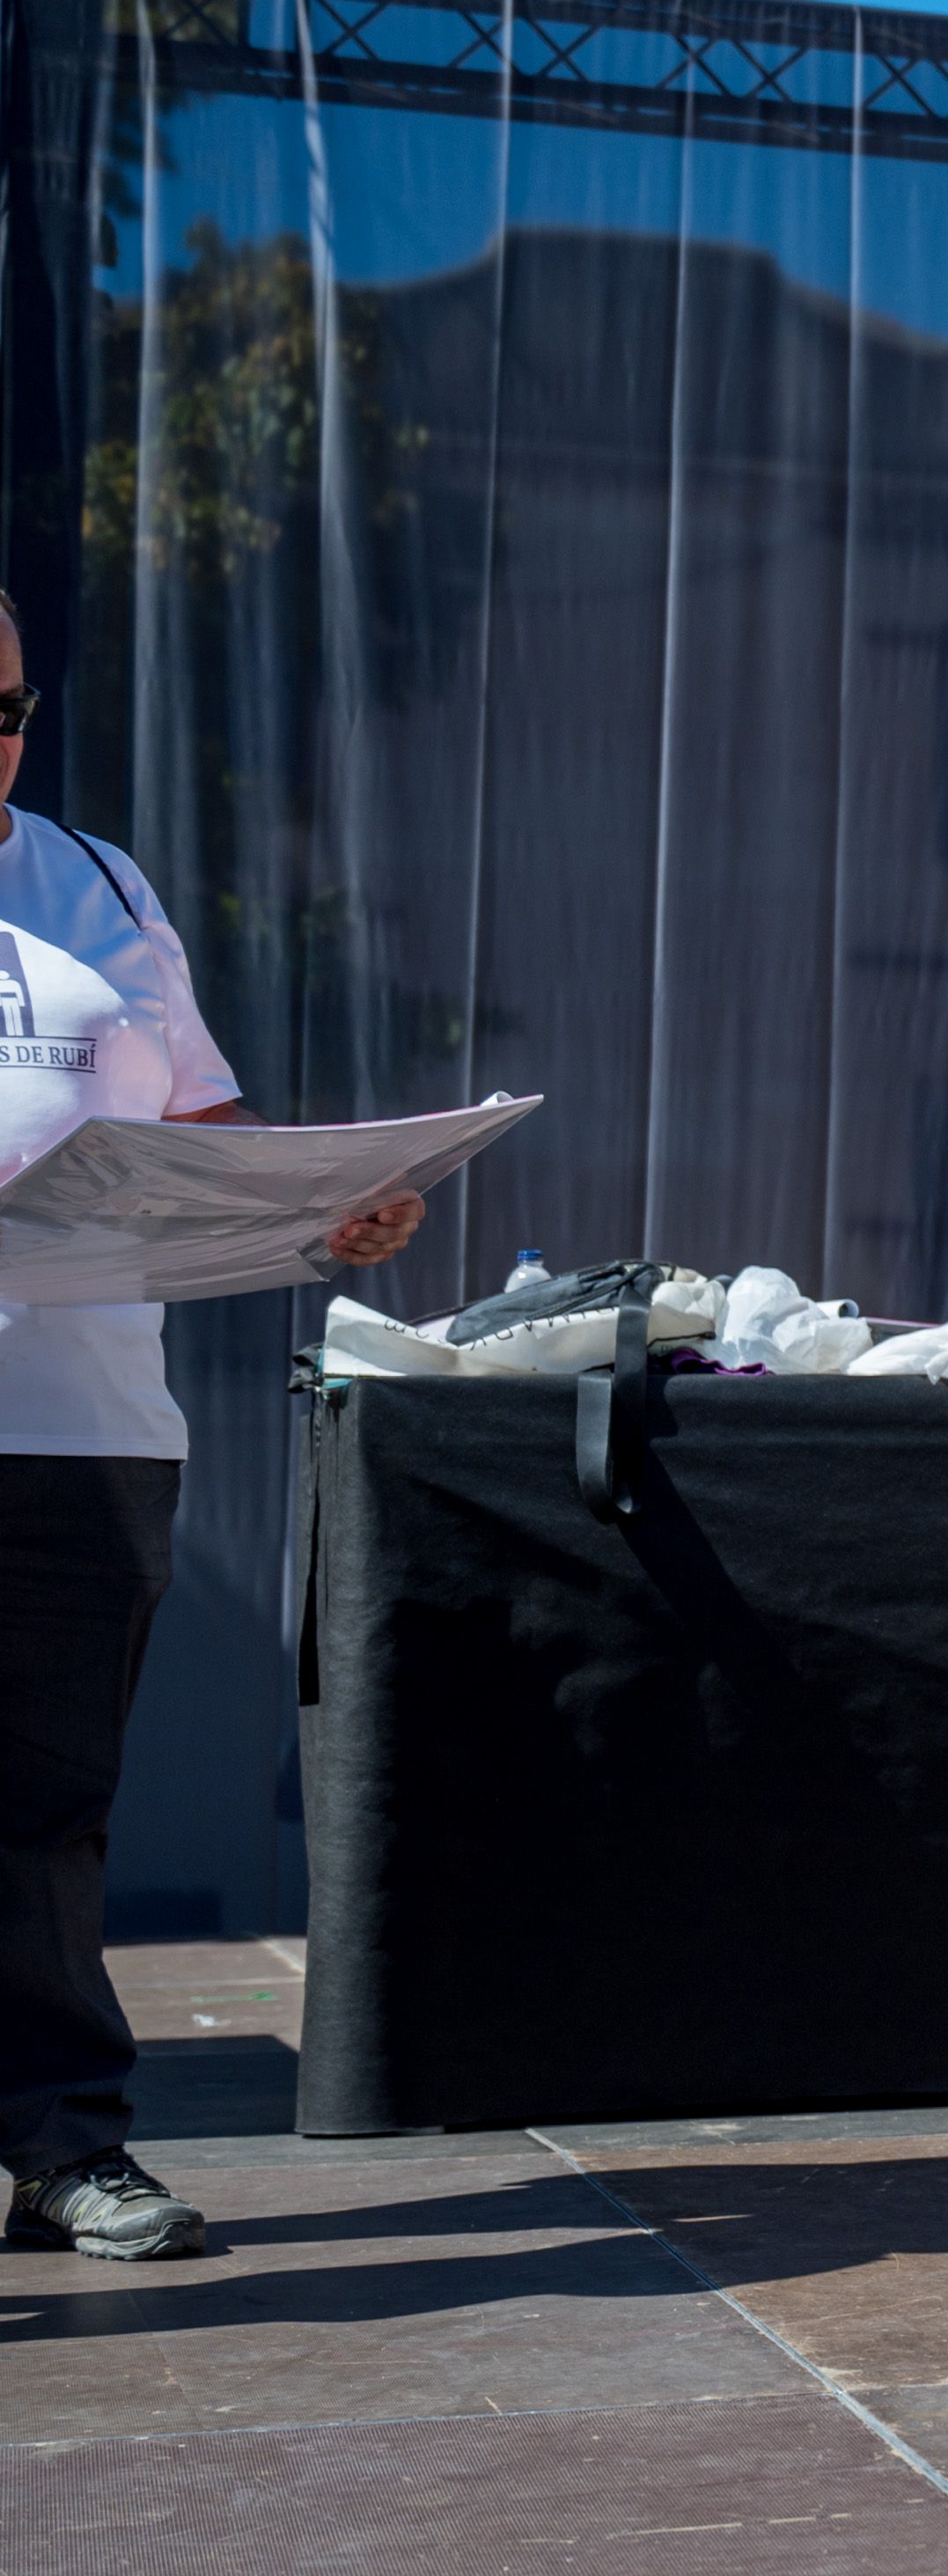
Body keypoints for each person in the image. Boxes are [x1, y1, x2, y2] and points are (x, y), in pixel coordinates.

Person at [4, 596, 425, 2263]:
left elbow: (204, 1119)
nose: (2, 742)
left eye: (13, 709)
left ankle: (59, 2147)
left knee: (46, 1806)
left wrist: (328, 1207)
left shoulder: (96, 886)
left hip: (88, 1419)